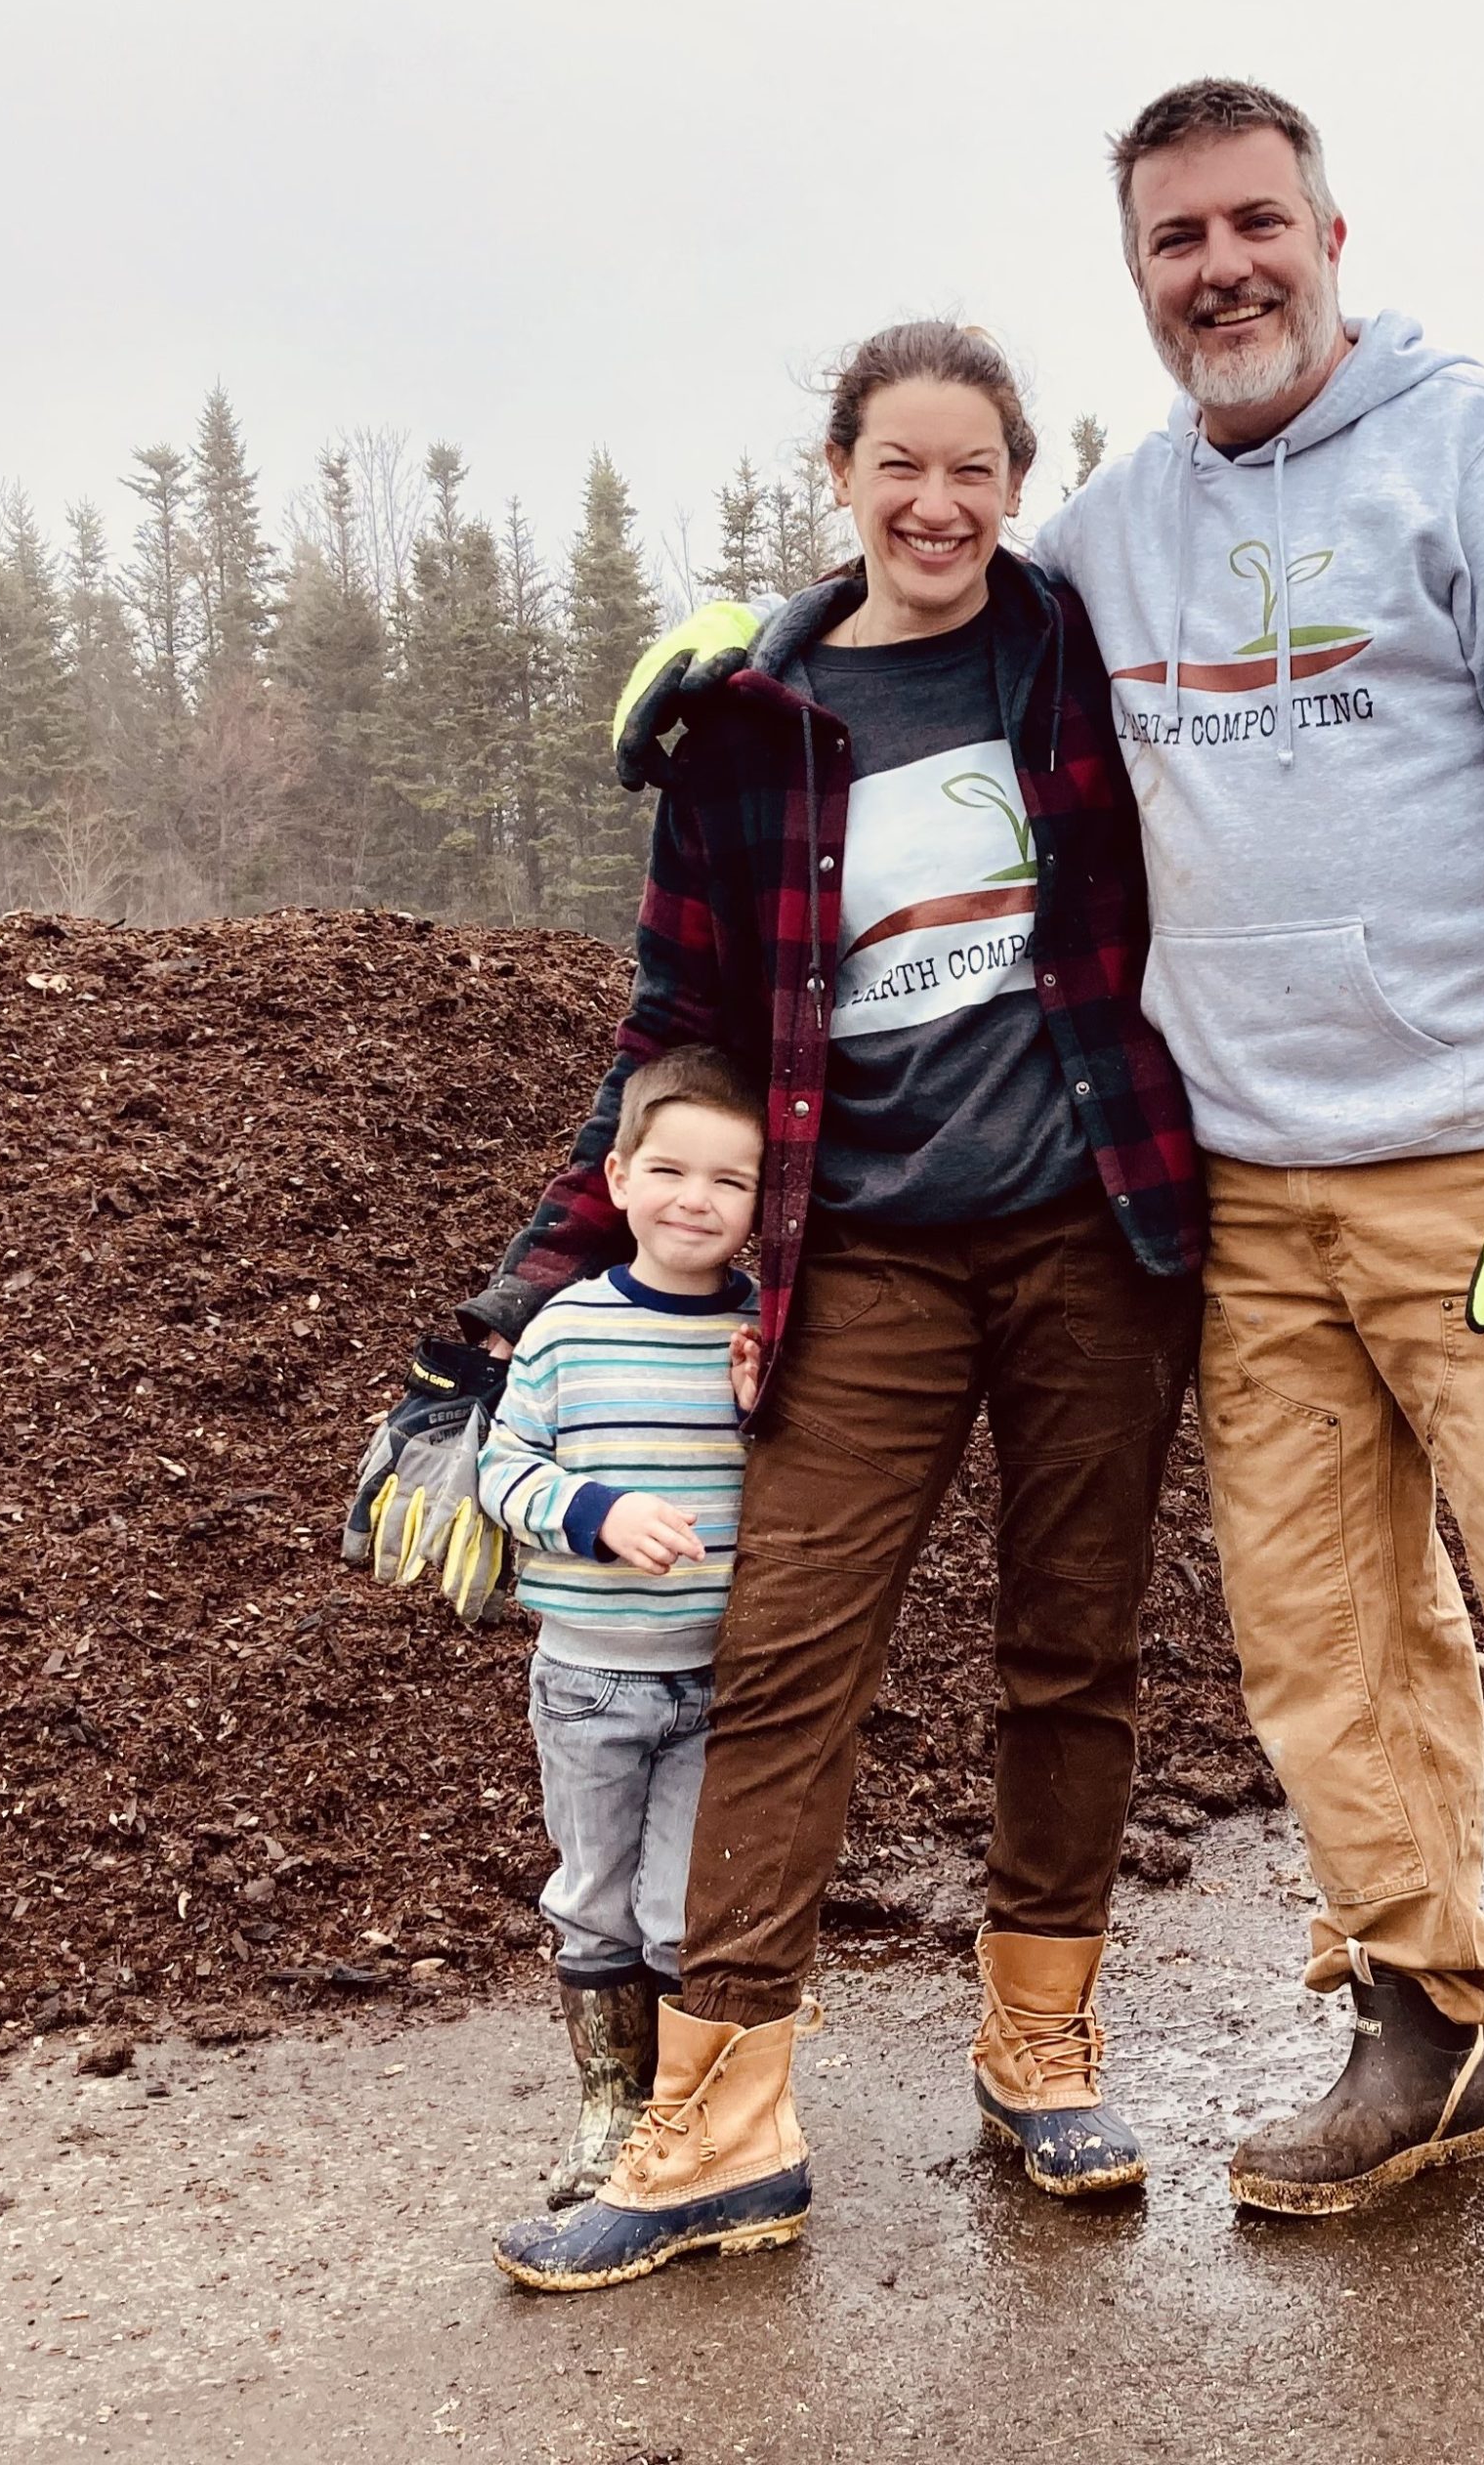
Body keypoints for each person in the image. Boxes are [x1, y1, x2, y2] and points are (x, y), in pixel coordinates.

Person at [609, 80, 1484, 2299]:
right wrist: (736, 659)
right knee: (1330, 1656)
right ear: (1134, 276)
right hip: (1234, 1189)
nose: (1217, 266)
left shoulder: (1475, 453)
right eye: (1172, 241)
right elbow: (919, 617)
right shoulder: (1116, 536)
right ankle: (1419, 2028)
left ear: (1330, 228)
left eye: (1252, 223)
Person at [478, 321, 1205, 2294]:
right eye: (900, 461)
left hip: (1084, 1228)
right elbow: (676, 1022)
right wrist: (522, 1295)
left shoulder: (1076, 657)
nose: (937, 502)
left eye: (974, 466)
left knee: (1070, 1650)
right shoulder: (747, 724)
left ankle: (1036, 2041)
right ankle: (723, 2119)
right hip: (858, 1249)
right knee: (787, 1652)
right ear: (837, 470)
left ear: (1015, 479)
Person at [473, 1045, 764, 2210]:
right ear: (622, 1179)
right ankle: (607, 2103)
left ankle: (684, 2113)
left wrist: (761, 1417)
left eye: (731, 1182)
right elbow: (504, 1473)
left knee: (680, 1904)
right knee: (592, 1891)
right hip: (590, 1675)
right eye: (672, 1171)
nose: (698, 1199)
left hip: (717, 1677)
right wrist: (596, 1513)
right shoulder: (565, 1329)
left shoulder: (763, 1333)